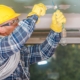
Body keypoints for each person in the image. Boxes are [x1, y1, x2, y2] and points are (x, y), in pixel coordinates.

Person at [0, 3, 66, 80]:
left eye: (17, 20)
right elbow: (16, 40)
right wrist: (34, 16)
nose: (18, 25)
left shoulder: (19, 52)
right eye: (13, 22)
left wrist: (56, 30)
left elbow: (43, 53)